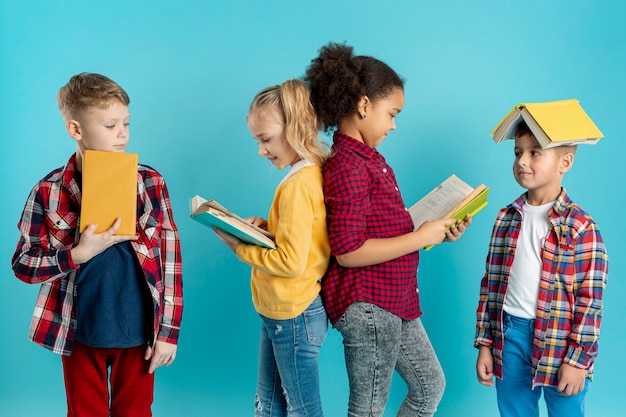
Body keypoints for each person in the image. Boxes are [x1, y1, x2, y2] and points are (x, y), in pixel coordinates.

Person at [303, 42, 471, 417]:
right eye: (392, 114)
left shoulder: (369, 160)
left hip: (395, 299)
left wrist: (436, 230)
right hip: (369, 305)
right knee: (368, 409)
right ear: (364, 106)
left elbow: (382, 226)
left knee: (430, 387)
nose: (394, 125)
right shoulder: (347, 166)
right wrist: (420, 237)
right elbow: (348, 251)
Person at [11, 72, 183, 417]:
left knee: (135, 412)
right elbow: (23, 264)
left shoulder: (150, 183)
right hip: (78, 331)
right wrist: (77, 253)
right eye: (109, 126)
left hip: (138, 333)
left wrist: (168, 332)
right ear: (76, 130)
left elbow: (170, 260)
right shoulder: (48, 191)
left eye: (126, 124)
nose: (122, 134)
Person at [474, 120, 609, 417]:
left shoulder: (581, 227)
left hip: (560, 339)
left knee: (566, 410)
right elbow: (491, 284)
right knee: (514, 409)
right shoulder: (505, 218)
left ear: (565, 162)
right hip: (510, 334)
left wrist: (577, 360)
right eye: (518, 152)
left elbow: (590, 301)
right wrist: (486, 343)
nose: (522, 160)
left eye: (535, 152)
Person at [213, 79, 330, 417]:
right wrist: (267, 229)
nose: (261, 151)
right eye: (257, 141)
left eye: (266, 139)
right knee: (270, 403)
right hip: (283, 310)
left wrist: (240, 248)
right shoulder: (309, 174)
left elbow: (291, 262)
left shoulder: (297, 185)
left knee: (300, 409)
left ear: (295, 128)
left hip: (292, 311)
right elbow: (305, 240)